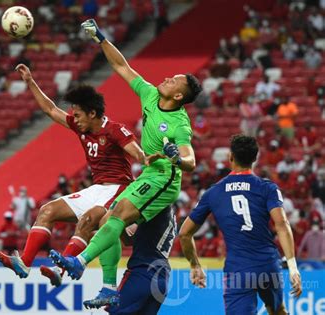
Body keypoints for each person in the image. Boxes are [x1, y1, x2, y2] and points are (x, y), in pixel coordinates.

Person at [50, 18, 201, 309]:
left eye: (173, 81)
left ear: (179, 96)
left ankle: (79, 262)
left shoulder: (179, 124)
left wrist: (174, 156)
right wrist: (101, 38)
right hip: (147, 173)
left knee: (116, 215)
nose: (167, 79)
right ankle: (106, 286)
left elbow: (191, 161)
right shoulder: (151, 94)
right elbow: (122, 66)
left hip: (165, 179)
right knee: (110, 218)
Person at [0, 63, 145, 289]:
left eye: (78, 115)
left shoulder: (115, 130)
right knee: (47, 210)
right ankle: (24, 263)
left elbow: (138, 153)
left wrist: (148, 159)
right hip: (97, 188)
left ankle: (59, 270)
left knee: (88, 220)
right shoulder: (81, 126)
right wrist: (30, 82)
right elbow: (51, 110)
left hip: (119, 188)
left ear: (92, 113)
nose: (75, 119)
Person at [178, 135, 302, 315]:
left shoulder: (213, 193)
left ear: (230, 157)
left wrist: (195, 265)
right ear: (254, 158)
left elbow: (184, 233)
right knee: (278, 310)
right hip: (267, 264)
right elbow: (282, 224)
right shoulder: (267, 188)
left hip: (238, 269)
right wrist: (293, 267)